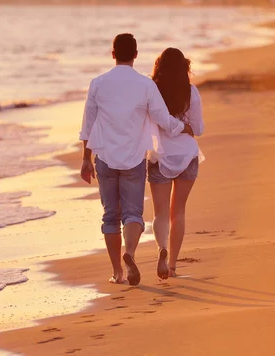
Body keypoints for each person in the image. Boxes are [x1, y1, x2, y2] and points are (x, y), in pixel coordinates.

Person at [79, 33, 193, 286]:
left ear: (113, 54)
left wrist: (86, 159)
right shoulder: (145, 85)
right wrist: (181, 128)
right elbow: (162, 119)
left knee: (110, 215)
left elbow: (88, 124)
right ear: (136, 55)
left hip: (105, 157)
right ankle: (129, 253)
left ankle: (117, 272)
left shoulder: (98, 83)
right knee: (133, 215)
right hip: (133, 158)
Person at [149, 48, 204, 279]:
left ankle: (161, 248)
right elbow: (198, 129)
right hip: (187, 156)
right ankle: (172, 266)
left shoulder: (152, 90)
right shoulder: (191, 92)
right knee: (178, 213)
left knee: (160, 214)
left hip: (160, 156)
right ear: (185, 67)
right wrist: (186, 127)